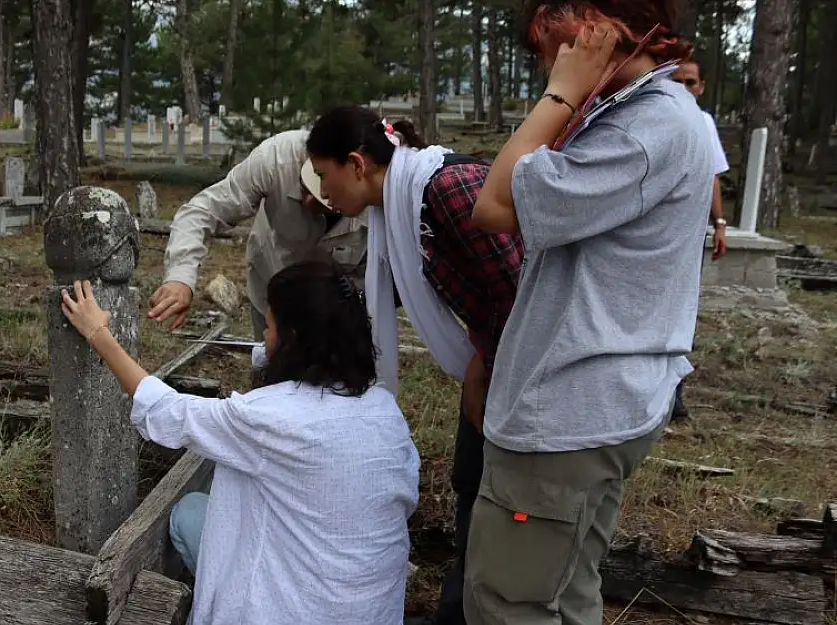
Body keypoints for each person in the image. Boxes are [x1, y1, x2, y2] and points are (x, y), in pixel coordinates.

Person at [467, 1, 711, 622]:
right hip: (603, 398)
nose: (554, 59)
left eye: (558, 42)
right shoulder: (647, 115)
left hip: (568, 413)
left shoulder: (642, 129)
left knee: (511, 604)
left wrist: (560, 94)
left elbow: (493, 204)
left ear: (605, 26)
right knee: (566, 587)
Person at [60, 260, 420, 625]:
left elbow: (167, 410)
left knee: (188, 514)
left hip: (290, 613)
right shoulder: (384, 409)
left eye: (268, 326)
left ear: (292, 338)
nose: (264, 336)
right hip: (373, 610)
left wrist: (98, 333)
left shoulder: (270, 418)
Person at [305, 106, 523, 625]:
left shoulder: (449, 189)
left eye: (323, 174)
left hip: (526, 368)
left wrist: (482, 363)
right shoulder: (395, 208)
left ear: (356, 164)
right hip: (495, 358)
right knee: (471, 483)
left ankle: (485, 606)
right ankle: (460, 607)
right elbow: (396, 288)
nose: (321, 190)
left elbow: (525, 291)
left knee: (504, 500)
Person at [147, 129, 368, 340]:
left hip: (337, 310)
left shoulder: (379, 196)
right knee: (271, 369)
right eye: (304, 187)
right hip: (269, 287)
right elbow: (202, 212)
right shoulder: (278, 159)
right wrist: (180, 278)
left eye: (324, 199)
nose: (309, 201)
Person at [670, 57, 731, 420]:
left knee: (682, 308)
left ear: (702, 87)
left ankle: (674, 395)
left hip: (687, 236)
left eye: (690, 82)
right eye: (676, 81)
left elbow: (711, 174)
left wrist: (719, 222)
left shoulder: (703, 123)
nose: (684, 89)